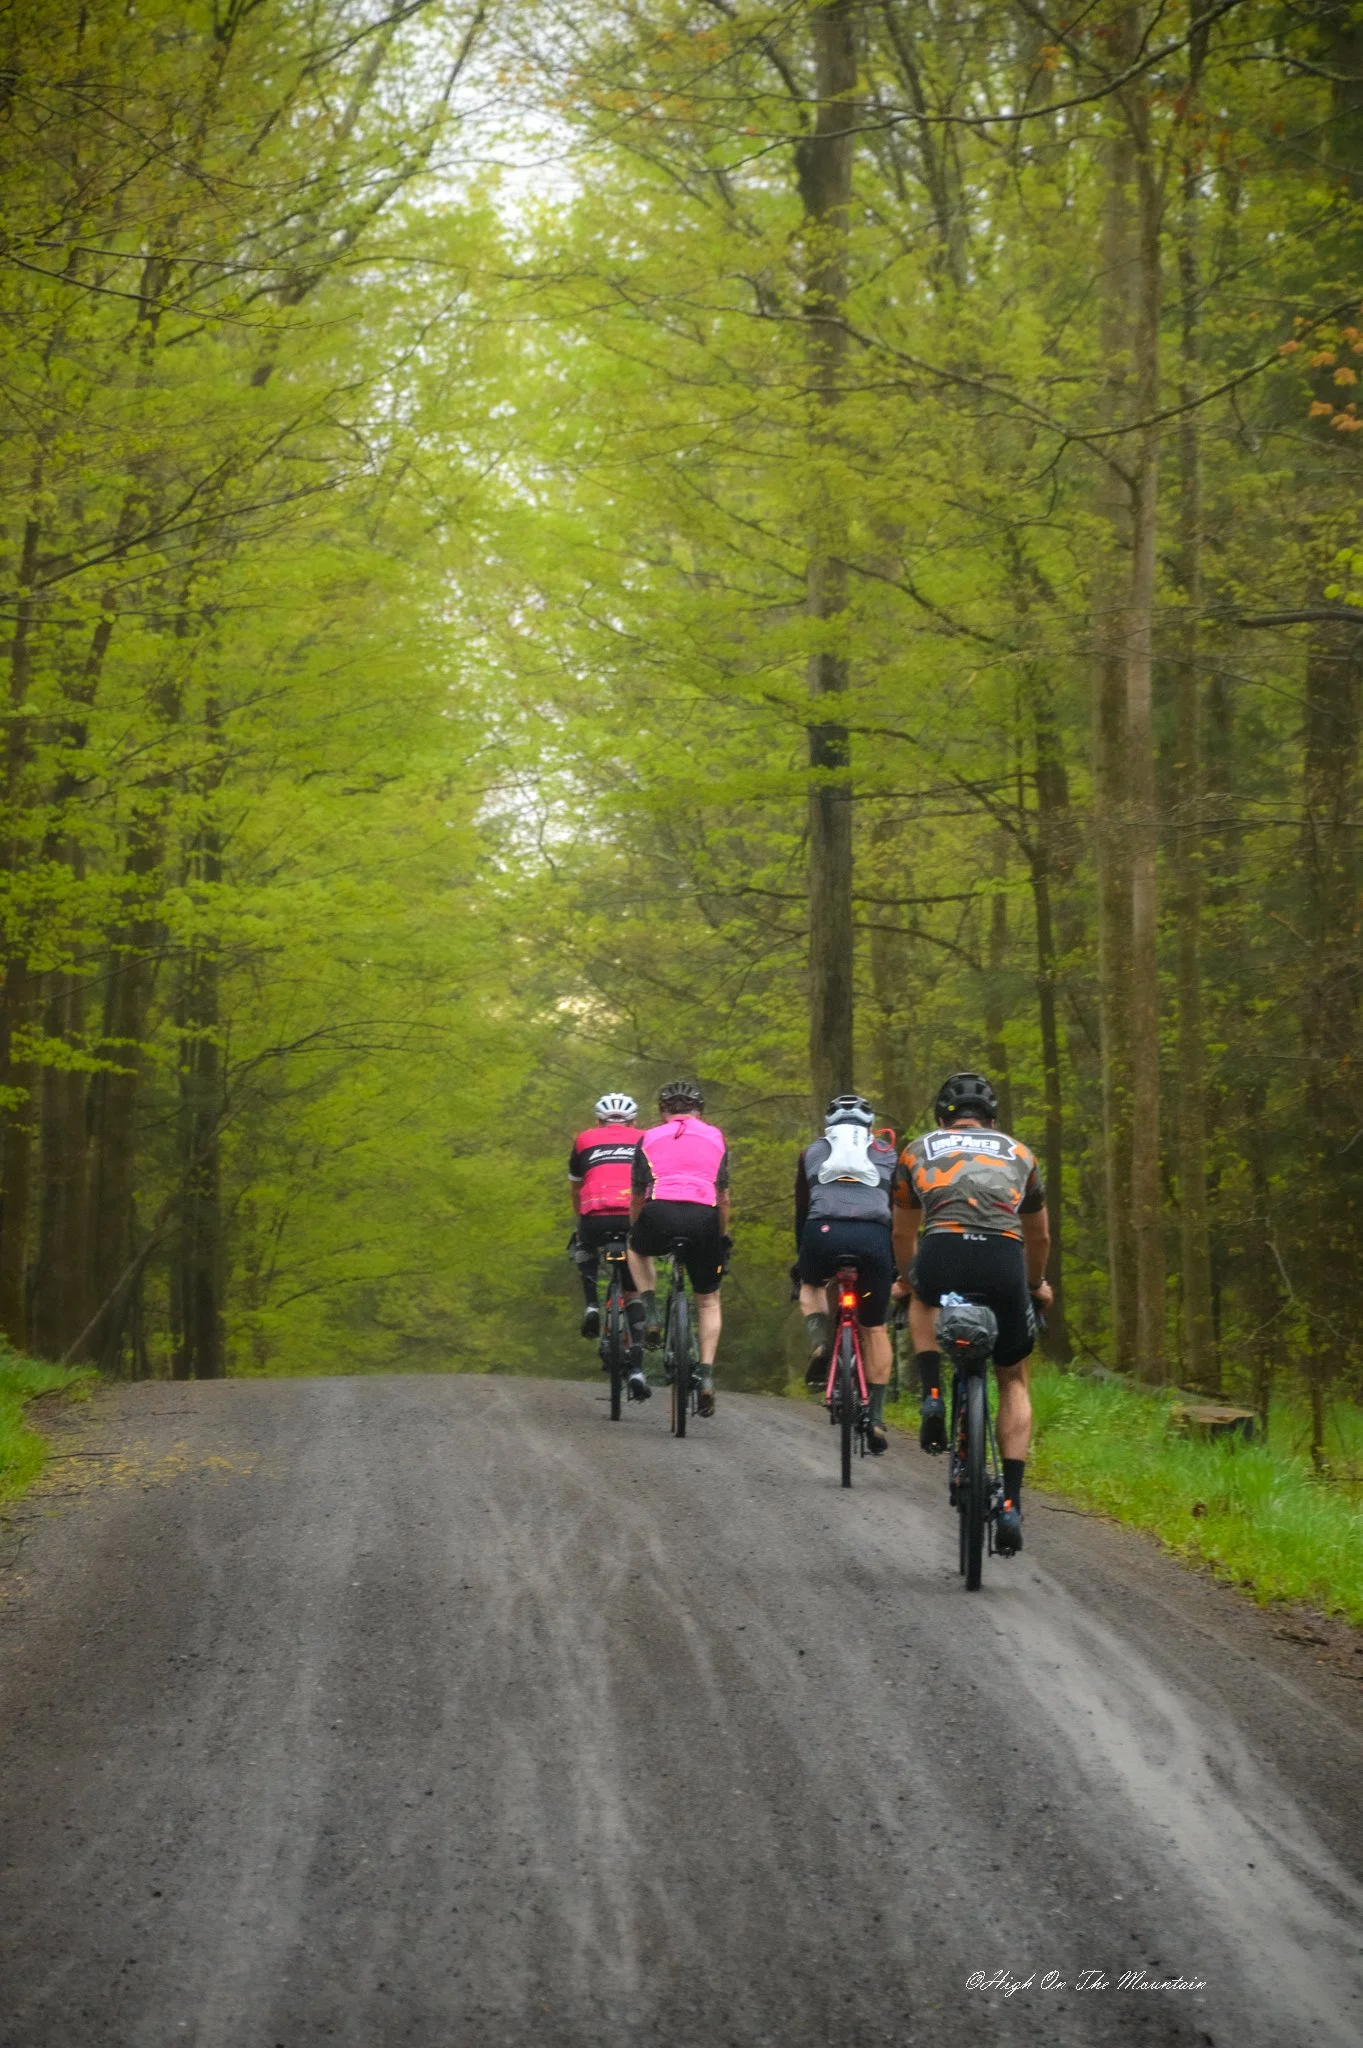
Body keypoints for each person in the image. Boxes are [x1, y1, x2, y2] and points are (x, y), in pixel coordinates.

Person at [891, 1072, 1053, 1555]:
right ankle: (1012, 1505)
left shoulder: (917, 1149)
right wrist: (1033, 1286)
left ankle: (934, 1395)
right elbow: (1040, 1237)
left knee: (921, 1295)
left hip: (942, 1250)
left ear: (942, 1117)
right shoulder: (1021, 1154)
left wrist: (906, 1279)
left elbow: (902, 1233)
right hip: (1003, 1259)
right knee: (1014, 1381)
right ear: (993, 1119)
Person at [794, 1094, 898, 1454]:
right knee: (875, 1327)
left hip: (822, 1233)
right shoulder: (888, 1153)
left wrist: (802, 1261)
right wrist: (894, 1262)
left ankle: (822, 1340)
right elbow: (896, 1212)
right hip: (874, 1237)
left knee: (809, 1286)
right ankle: (879, 1417)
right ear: (869, 1126)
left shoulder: (812, 1151)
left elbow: (802, 1211)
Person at [627, 1079, 730, 1418]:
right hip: (704, 1217)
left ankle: (652, 1311)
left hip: (660, 1212)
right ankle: (706, 1373)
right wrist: (721, 1234)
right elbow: (723, 1195)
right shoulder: (716, 1137)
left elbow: (638, 1195)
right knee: (708, 1299)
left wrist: (637, 1228)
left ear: (662, 1111)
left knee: (636, 1247)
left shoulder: (649, 1137)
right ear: (700, 1110)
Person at [568, 1092, 651, 1401]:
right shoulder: (646, 1138)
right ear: (633, 1121)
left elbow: (576, 1187)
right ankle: (639, 1369)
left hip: (596, 1216)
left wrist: (582, 1219)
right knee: (634, 1291)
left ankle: (591, 1303)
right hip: (633, 1217)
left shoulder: (584, 1139)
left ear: (598, 1121)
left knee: (582, 1242)